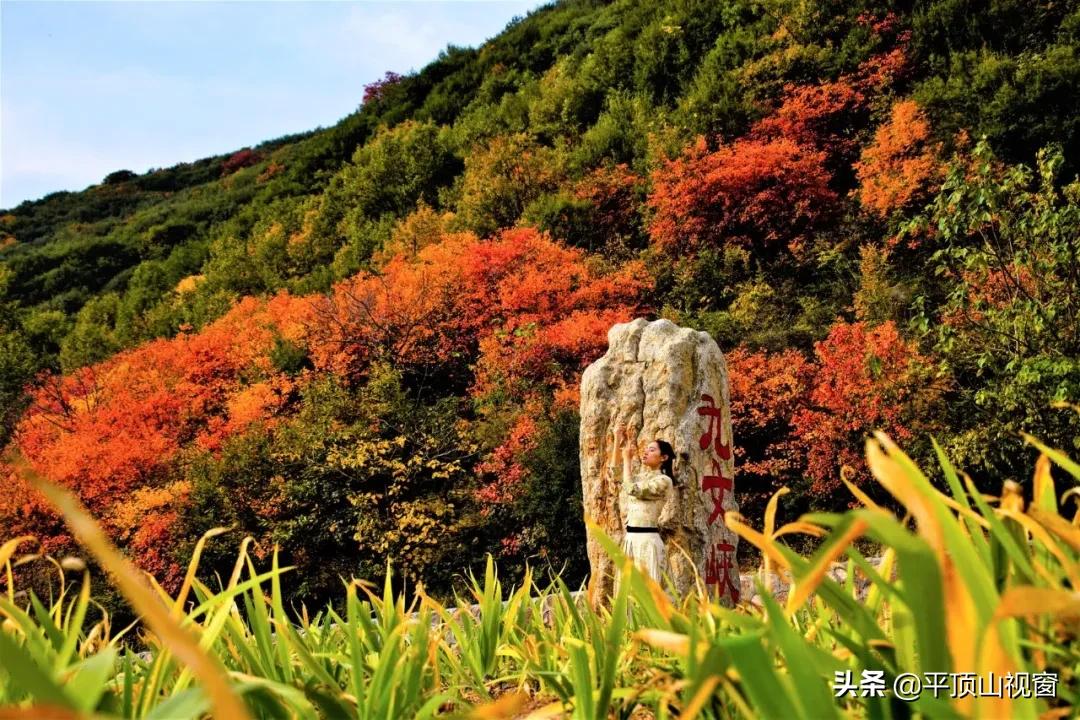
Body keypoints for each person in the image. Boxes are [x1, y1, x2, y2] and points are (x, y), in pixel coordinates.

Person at [610, 427, 674, 587]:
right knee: (629, 594)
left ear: (663, 457)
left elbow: (632, 489)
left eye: (651, 450)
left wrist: (627, 461)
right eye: (645, 450)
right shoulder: (641, 477)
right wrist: (617, 439)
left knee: (649, 591)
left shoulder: (664, 481)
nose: (645, 452)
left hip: (648, 541)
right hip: (630, 541)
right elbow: (615, 475)